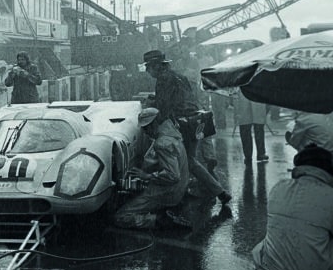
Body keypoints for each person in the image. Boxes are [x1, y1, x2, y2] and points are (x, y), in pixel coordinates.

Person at [143, 49, 231, 205]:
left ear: (157, 66)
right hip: (194, 121)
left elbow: (165, 106)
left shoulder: (164, 79)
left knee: (182, 161)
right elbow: (183, 98)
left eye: (148, 67)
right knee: (190, 161)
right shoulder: (179, 76)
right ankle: (219, 192)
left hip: (182, 125)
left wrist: (151, 106)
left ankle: (177, 196)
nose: (147, 71)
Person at [113, 107, 191, 229]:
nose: (145, 132)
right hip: (179, 188)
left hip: (168, 192)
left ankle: (160, 220)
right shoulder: (172, 133)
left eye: (146, 127)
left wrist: (147, 176)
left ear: (154, 124)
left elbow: (173, 175)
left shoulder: (162, 143)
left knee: (121, 216)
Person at [234, 90, 268, 165]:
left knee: (257, 123)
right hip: (246, 91)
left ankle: (257, 154)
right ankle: (251, 155)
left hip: (254, 90)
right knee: (246, 124)